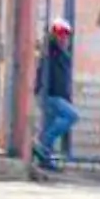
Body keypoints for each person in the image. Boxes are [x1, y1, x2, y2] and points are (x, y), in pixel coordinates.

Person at [32, 18, 77, 172]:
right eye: (59, 33)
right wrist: (50, 34)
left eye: (66, 34)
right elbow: (44, 45)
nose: (63, 37)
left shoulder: (65, 54)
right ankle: (42, 144)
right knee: (72, 116)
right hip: (48, 95)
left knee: (49, 127)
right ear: (53, 34)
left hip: (58, 96)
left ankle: (45, 160)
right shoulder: (50, 50)